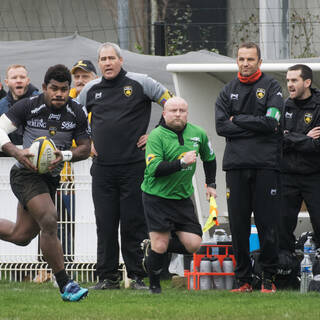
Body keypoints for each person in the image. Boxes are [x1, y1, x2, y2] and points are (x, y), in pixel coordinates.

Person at [77, 42, 173, 290]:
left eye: (111, 58)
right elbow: (74, 117)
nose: (107, 63)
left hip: (134, 166)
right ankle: (108, 278)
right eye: (103, 59)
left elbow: (171, 104)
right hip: (103, 168)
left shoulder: (141, 82)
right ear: (98, 64)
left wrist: (156, 133)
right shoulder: (90, 88)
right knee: (105, 223)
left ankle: (138, 276)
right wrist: (87, 142)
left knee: (134, 223)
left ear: (121, 60)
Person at [0, 64, 91, 301]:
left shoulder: (76, 111)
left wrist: (66, 155)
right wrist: (16, 151)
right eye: (54, 89)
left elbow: (85, 148)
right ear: (44, 88)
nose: (59, 94)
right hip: (25, 174)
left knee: (20, 235)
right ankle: (66, 284)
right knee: (50, 218)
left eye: (64, 89)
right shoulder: (29, 105)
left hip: (50, 178)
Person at [215, 42, 284, 293]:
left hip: (266, 166)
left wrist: (239, 120)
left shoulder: (272, 87)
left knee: (267, 224)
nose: (245, 63)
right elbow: (221, 126)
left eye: (250, 59)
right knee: (238, 226)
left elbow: (272, 122)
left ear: (259, 62)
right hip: (235, 166)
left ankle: (268, 278)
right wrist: (255, 123)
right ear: (237, 61)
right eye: (241, 59)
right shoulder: (227, 91)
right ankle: (243, 280)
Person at [140, 96, 217, 293]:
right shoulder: (156, 136)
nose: (178, 114)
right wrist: (181, 162)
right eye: (173, 110)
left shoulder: (198, 133)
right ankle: (154, 286)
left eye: (182, 110)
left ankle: (156, 245)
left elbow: (210, 158)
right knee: (161, 244)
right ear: (164, 114)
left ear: (187, 114)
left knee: (194, 244)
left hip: (182, 197)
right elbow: (155, 169)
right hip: (156, 197)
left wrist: (211, 184)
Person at [280, 64, 320, 254]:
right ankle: (285, 267)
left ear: (307, 82)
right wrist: (304, 137)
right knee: (282, 223)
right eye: (288, 80)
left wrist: (290, 137)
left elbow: (317, 145)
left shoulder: (319, 106)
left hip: (314, 175)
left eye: (294, 80)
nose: (289, 84)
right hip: (287, 175)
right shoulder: (283, 105)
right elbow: (276, 139)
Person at [0, 64, 39, 145]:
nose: (19, 80)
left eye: (22, 77)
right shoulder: (1, 105)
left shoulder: (40, 102)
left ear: (28, 81)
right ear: (6, 82)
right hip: (8, 154)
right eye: (14, 78)